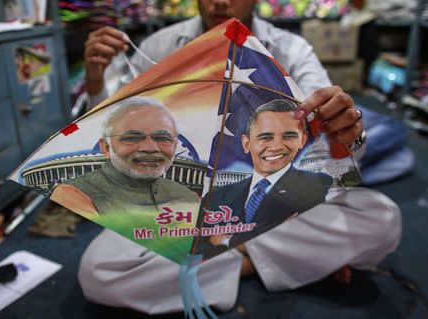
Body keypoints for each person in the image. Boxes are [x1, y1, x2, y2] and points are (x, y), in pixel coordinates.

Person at [78, 0, 402, 315]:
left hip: (277, 201)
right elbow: (115, 130)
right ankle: (281, 260)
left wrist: (346, 128)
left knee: (383, 218)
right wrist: (96, 81)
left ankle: (226, 261)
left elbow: (331, 133)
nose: (219, 2)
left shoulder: (290, 48)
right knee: (100, 272)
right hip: (184, 203)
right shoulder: (160, 45)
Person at [198, 99, 333, 258]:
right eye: (265, 137)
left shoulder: (317, 185)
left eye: (288, 136)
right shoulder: (216, 197)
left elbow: (303, 246)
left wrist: (226, 241)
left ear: (302, 140)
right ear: (246, 143)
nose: (276, 146)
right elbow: (197, 251)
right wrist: (269, 237)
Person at [50, 96, 199, 217]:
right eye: (132, 138)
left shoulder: (188, 197)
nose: (150, 148)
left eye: (162, 138)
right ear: (106, 147)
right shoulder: (75, 194)